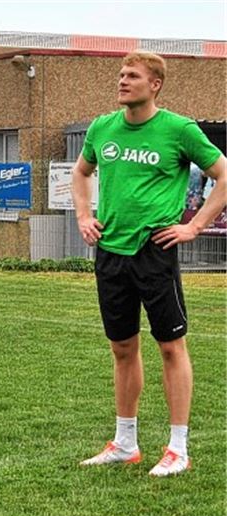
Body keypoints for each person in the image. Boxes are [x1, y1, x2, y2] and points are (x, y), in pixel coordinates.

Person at [72, 52, 226, 477]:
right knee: (122, 348)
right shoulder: (103, 128)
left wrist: (194, 226)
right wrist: (84, 216)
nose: (123, 81)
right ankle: (125, 442)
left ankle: (178, 448)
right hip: (111, 253)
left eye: (133, 76)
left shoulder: (178, 129)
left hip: (155, 253)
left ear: (154, 84)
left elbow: (223, 174)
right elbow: (81, 173)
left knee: (170, 346)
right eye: (121, 74)